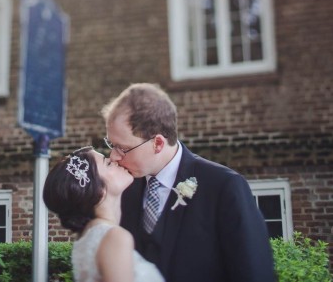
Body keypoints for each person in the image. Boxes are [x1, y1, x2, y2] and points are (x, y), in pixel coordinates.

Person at [102, 82, 276, 282]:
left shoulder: (224, 187)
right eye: (111, 145)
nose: (113, 156)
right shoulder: (124, 189)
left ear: (158, 143)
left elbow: (254, 273)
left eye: (122, 147)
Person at [43, 146, 165, 282]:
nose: (114, 160)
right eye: (107, 163)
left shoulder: (88, 236)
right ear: (98, 190)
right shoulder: (114, 237)